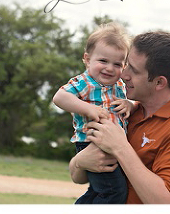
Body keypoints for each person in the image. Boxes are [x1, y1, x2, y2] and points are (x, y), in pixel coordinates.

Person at [69, 31, 170, 204]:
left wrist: (120, 147)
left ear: (159, 83)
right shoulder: (123, 109)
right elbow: (78, 178)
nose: (123, 74)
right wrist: (79, 162)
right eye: (126, 65)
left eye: (133, 69)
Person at [52, 22, 136, 204]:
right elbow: (59, 97)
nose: (109, 68)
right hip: (92, 145)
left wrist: (129, 104)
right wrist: (88, 108)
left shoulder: (119, 86)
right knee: (114, 192)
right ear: (87, 59)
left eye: (117, 64)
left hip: (113, 145)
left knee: (100, 191)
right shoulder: (84, 82)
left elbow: (135, 104)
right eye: (103, 61)